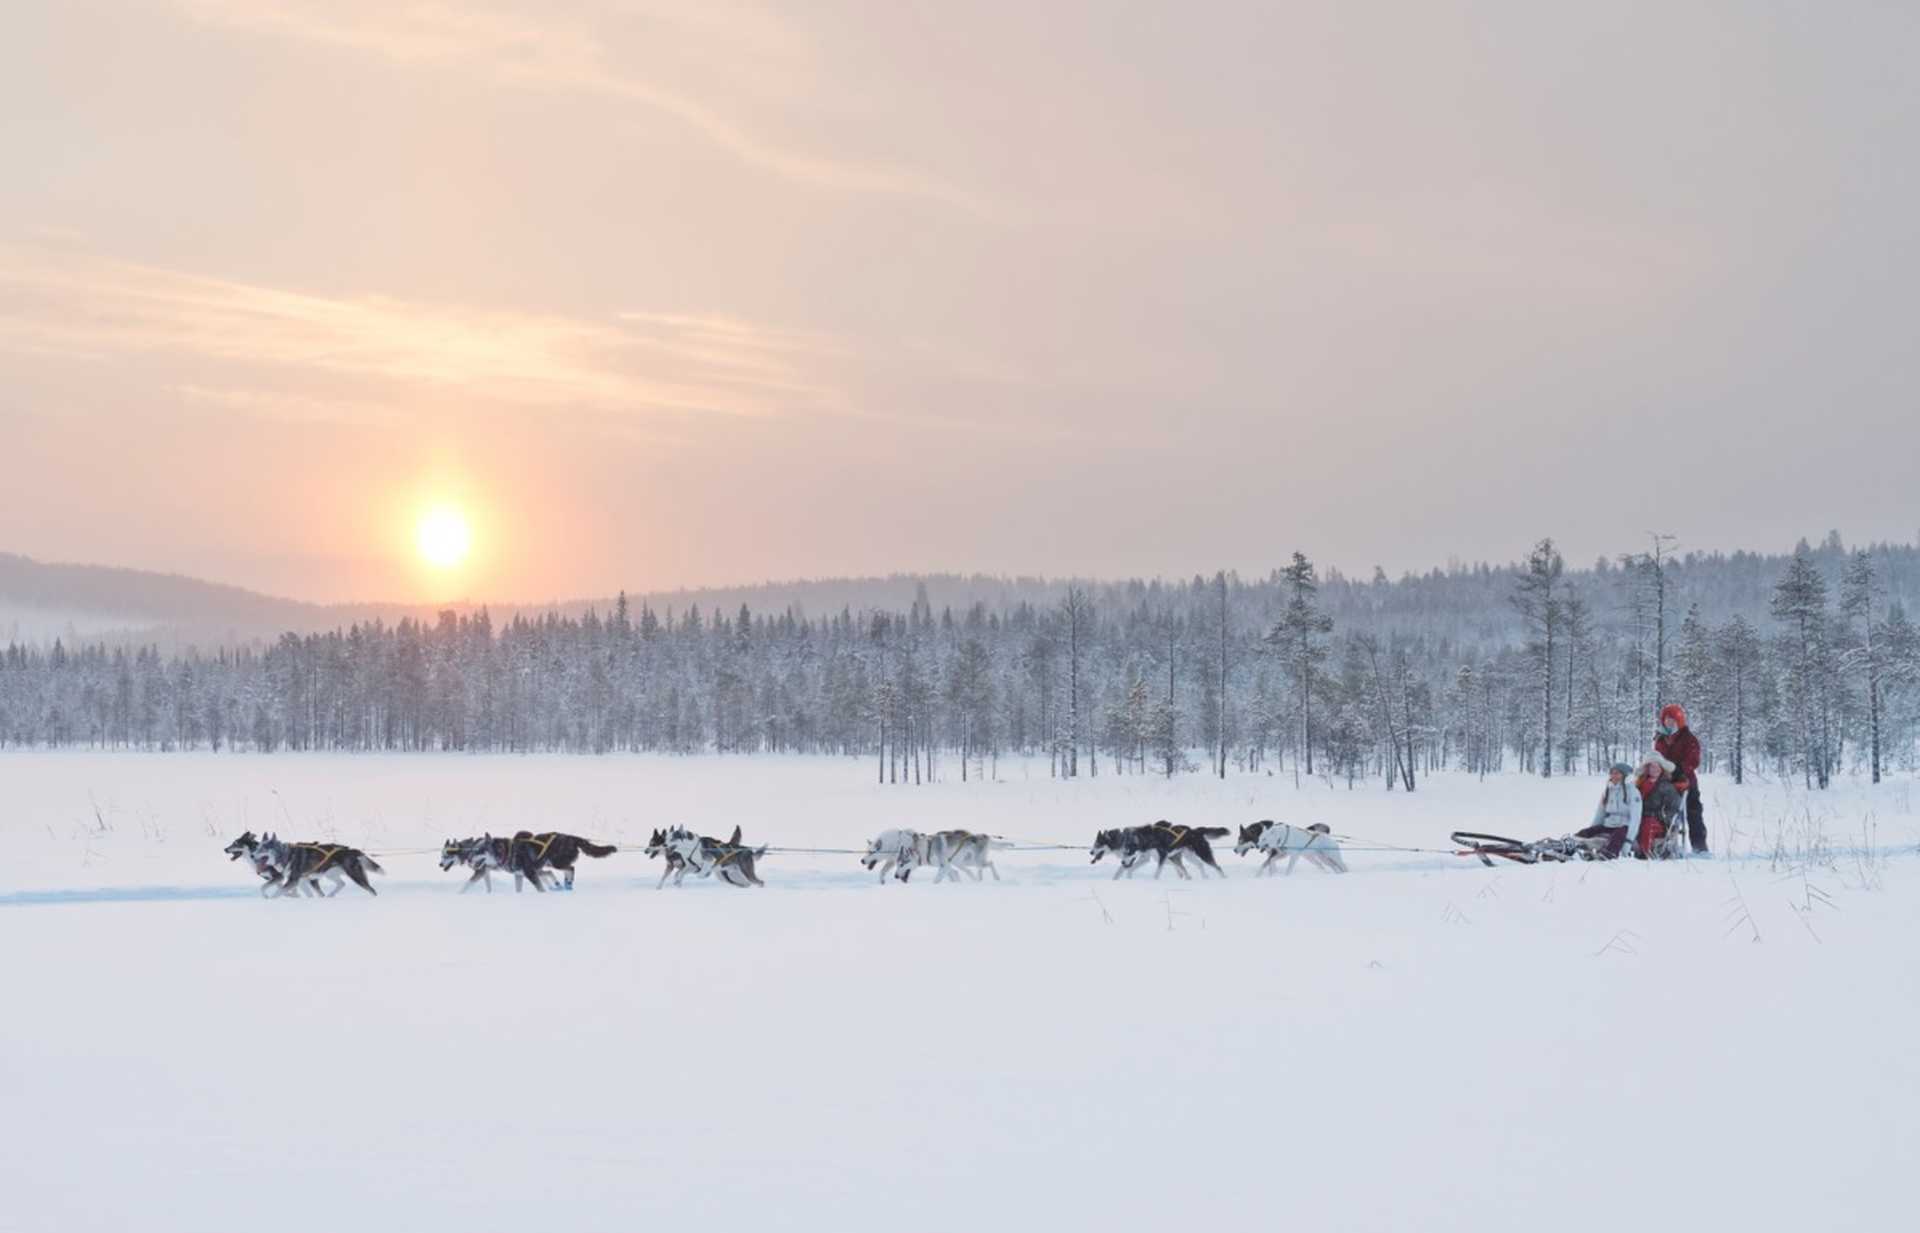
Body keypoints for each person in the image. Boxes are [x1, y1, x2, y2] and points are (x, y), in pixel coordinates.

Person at [1654, 704, 1706, 856]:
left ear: (1679, 720)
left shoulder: (1688, 738)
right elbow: (1657, 757)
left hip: (1686, 779)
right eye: (1666, 720)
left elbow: (1693, 761)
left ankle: (1699, 847)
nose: (1669, 723)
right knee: (1663, 812)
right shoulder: (1661, 738)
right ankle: (1662, 843)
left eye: (1672, 720)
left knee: (1693, 812)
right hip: (1664, 781)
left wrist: (1676, 769)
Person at [1577, 761, 1640, 859]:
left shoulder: (1633, 792)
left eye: (1617, 773)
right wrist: (1592, 832)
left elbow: (1636, 818)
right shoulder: (1608, 790)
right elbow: (1600, 814)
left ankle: (1609, 853)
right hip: (1609, 824)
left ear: (1625, 776)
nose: (1614, 776)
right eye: (1612, 773)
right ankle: (1569, 845)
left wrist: (1628, 842)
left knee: (1617, 835)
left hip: (1624, 826)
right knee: (1584, 832)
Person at [1634, 755, 1684, 859]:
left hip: (1658, 820)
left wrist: (1666, 820)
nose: (1655, 769)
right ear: (1647, 769)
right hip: (1637, 817)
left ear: (1662, 769)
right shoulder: (1639, 784)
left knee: (1648, 824)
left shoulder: (1667, 786)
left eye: (1657, 767)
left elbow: (1674, 807)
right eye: (1652, 767)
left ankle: (1644, 853)